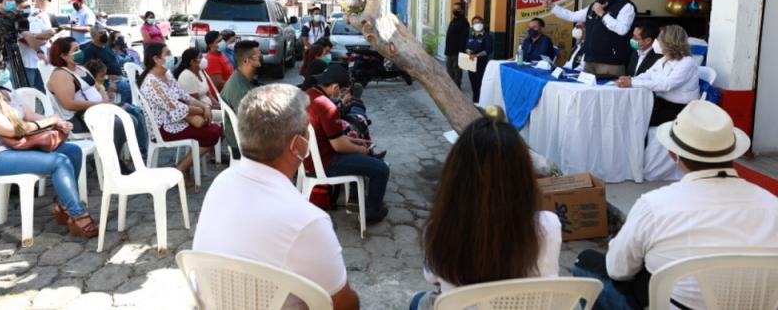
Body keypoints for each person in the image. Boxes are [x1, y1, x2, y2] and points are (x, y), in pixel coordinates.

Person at [573, 100, 778, 310]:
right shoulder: (772, 204)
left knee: (586, 262)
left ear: (673, 154)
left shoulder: (655, 206)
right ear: (732, 153)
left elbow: (618, 270)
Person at [193, 84, 360, 310]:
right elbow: (344, 305)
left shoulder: (221, 183)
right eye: (306, 132)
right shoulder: (308, 220)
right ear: (296, 144)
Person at [410, 109, 561, 310]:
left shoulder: (436, 229)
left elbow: (431, 277)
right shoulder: (547, 224)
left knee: (419, 301)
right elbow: (548, 278)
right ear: (522, 174)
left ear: (455, 175)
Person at [0, 50, 99, 238]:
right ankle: (78, 215)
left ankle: (66, 206)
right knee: (59, 161)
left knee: (73, 151)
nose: (6, 69)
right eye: (1, 66)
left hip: (20, 146)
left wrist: (56, 121)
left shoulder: (8, 92)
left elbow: (31, 116)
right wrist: (46, 122)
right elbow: (11, 130)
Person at [306, 64, 390, 223]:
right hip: (327, 163)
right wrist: (360, 150)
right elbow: (338, 146)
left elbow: (331, 137)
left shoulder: (308, 95)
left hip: (310, 159)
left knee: (371, 159)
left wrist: (353, 141)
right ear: (335, 87)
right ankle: (372, 213)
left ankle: (371, 171)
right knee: (382, 169)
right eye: (342, 90)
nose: (341, 94)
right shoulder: (327, 107)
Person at [47, 37, 142, 173]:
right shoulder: (61, 75)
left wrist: (104, 100)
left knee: (132, 118)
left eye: (79, 48)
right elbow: (68, 104)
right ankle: (111, 162)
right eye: (75, 50)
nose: (80, 52)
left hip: (98, 110)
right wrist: (98, 104)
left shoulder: (80, 68)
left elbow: (98, 87)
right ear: (63, 56)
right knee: (120, 124)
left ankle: (111, 157)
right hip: (79, 118)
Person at [137, 43, 221, 184]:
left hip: (176, 120)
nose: (171, 56)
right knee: (212, 132)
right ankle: (182, 168)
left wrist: (205, 106)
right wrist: (203, 109)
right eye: (167, 53)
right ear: (156, 59)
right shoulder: (152, 83)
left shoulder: (167, 75)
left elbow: (185, 96)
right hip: (163, 127)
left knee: (212, 130)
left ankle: (183, 166)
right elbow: (177, 108)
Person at [549, 0, 636, 76]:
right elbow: (573, 16)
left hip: (611, 62)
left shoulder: (626, 6)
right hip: (590, 60)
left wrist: (602, 14)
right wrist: (553, 7)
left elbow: (622, 30)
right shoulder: (595, 5)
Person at [617, 25, 699, 127]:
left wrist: (633, 83)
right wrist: (630, 79)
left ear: (669, 42)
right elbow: (649, 74)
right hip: (661, 104)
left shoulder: (687, 62)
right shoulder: (664, 59)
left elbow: (666, 85)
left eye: (659, 39)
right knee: (629, 114)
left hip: (680, 109)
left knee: (637, 120)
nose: (656, 42)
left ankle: (641, 143)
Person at [83, 59, 149, 156]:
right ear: (92, 76)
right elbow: (103, 102)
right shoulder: (93, 87)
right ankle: (141, 147)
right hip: (105, 111)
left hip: (111, 107)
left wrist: (110, 93)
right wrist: (109, 93)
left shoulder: (101, 84)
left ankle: (142, 145)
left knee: (137, 113)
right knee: (132, 110)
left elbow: (109, 99)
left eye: (105, 75)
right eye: (101, 76)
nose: (105, 78)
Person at [220, 40, 261, 159]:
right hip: (243, 145)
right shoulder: (240, 88)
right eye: (258, 56)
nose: (261, 58)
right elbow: (250, 124)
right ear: (247, 60)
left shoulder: (241, 77)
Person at [80, 25, 132, 104]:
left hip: (120, 78)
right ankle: (125, 109)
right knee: (127, 88)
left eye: (105, 32)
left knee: (136, 83)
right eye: (101, 33)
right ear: (94, 36)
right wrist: (107, 78)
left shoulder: (107, 47)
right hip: (106, 81)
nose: (104, 35)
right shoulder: (89, 51)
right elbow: (89, 72)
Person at [16, 0, 55, 92]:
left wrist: (32, 36)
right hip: (28, 62)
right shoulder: (16, 22)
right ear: (17, 8)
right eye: (24, 7)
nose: (28, 9)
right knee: (28, 89)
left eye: (28, 6)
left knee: (44, 87)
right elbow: (27, 41)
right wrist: (39, 38)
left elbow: (51, 32)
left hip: (42, 60)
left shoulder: (38, 16)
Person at [174, 48, 222, 123]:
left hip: (210, 107)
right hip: (203, 112)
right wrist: (215, 108)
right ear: (192, 61)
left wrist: (219, 105)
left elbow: (208, 93)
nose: (204, 59)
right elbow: (196, 102)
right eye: (200, 57)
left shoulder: (200, 71)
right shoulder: (186, 76)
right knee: (227, 116)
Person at [465, 16, 493, 104]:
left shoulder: (487, 36)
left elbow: (488, 50)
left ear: (483, 24)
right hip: (471, 63)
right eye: (475, 23)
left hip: (481, 64)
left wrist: (477, 55)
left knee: (480, 84)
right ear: (472, 25)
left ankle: (480, 103)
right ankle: (475, 101)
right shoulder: (471, 35)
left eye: (479, 22)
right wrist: (468, 51)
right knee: (473, 84)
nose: (477, 24)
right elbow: (466, 47)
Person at [444, 2, 470, 89]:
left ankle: (456, 87)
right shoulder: (453, 20)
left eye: (457, 9)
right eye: (454, 9)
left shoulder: (464, 22)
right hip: (450, 50)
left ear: (462, 11)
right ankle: (450, 86)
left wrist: (462, 51)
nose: (455, 10)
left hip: (457, 51)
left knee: (457, 70)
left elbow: (464, 38)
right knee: (449, 69)